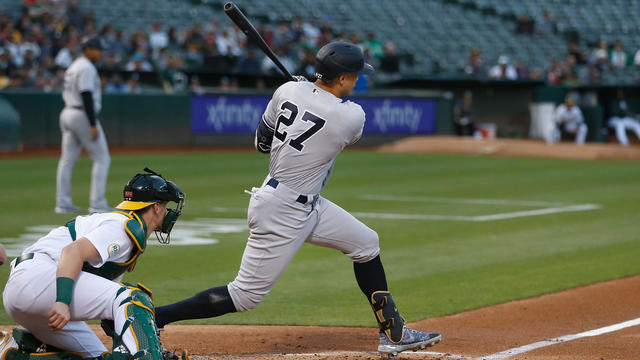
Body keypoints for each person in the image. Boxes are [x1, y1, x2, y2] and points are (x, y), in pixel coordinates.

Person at [152, 41, 442, 357]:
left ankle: (393, 332)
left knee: (366, 243)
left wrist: (301, 92)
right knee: (245, 296)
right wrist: (310, 95)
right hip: (282, 211)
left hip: (305, 202)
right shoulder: (351, 117)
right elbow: (337, 113)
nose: (357, 80)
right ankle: (156, 317)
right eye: (354, 76)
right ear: (342, 78)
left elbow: (262, 143)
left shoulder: (286, 91)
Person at [0, 169, 187, 360]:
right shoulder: (121, 226)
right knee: (134, 298)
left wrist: (146, 344)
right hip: (39, 281)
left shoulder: (121, 227)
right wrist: (62, 301)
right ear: (156, 207)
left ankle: (19, 352)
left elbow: (109, 307)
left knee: (98, 356)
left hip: (27, 295)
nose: (167, 212)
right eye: (165, 206)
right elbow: (72, 252)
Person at [55, 37, 112, 214]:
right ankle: (97, 203)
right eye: (97, 49)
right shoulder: (86, 67)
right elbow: (86, 93)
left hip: (68, 112)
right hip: (82, 115)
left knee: (67, 160)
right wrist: (92, 123)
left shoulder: (74, 65)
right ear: (87, 49)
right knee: (102, 158)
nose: (100, 53)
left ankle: (62, 203)